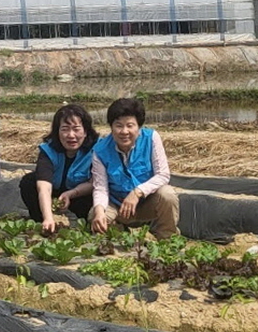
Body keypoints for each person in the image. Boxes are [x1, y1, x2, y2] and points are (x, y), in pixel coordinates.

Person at [90, 97, 180, 239]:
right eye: (118, 125)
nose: (124, 131)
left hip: (146, 203)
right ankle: (120, 236)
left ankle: (167, 239)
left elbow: (163, 175)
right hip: (119, 206)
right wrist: (100, 212)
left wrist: (137, 192)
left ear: (139, 127)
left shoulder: (151, 138)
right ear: (111, 127)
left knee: (167, 194)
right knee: (95, 215)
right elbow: (101, 188)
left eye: (130, 125)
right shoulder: (100, 151)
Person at [19, 104, 97, 234]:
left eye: (76, 129)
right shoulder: (48, 150)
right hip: (54, 189)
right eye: (65, 129)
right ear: (57, 132)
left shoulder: (96, 151)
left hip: (80, 193)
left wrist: (71, 194)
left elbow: (94, 182)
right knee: (28, 182)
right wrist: (48, 217)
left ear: (86, 131)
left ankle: (84, 225)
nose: (71, 135)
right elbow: (44, 187)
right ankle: (42, 222)